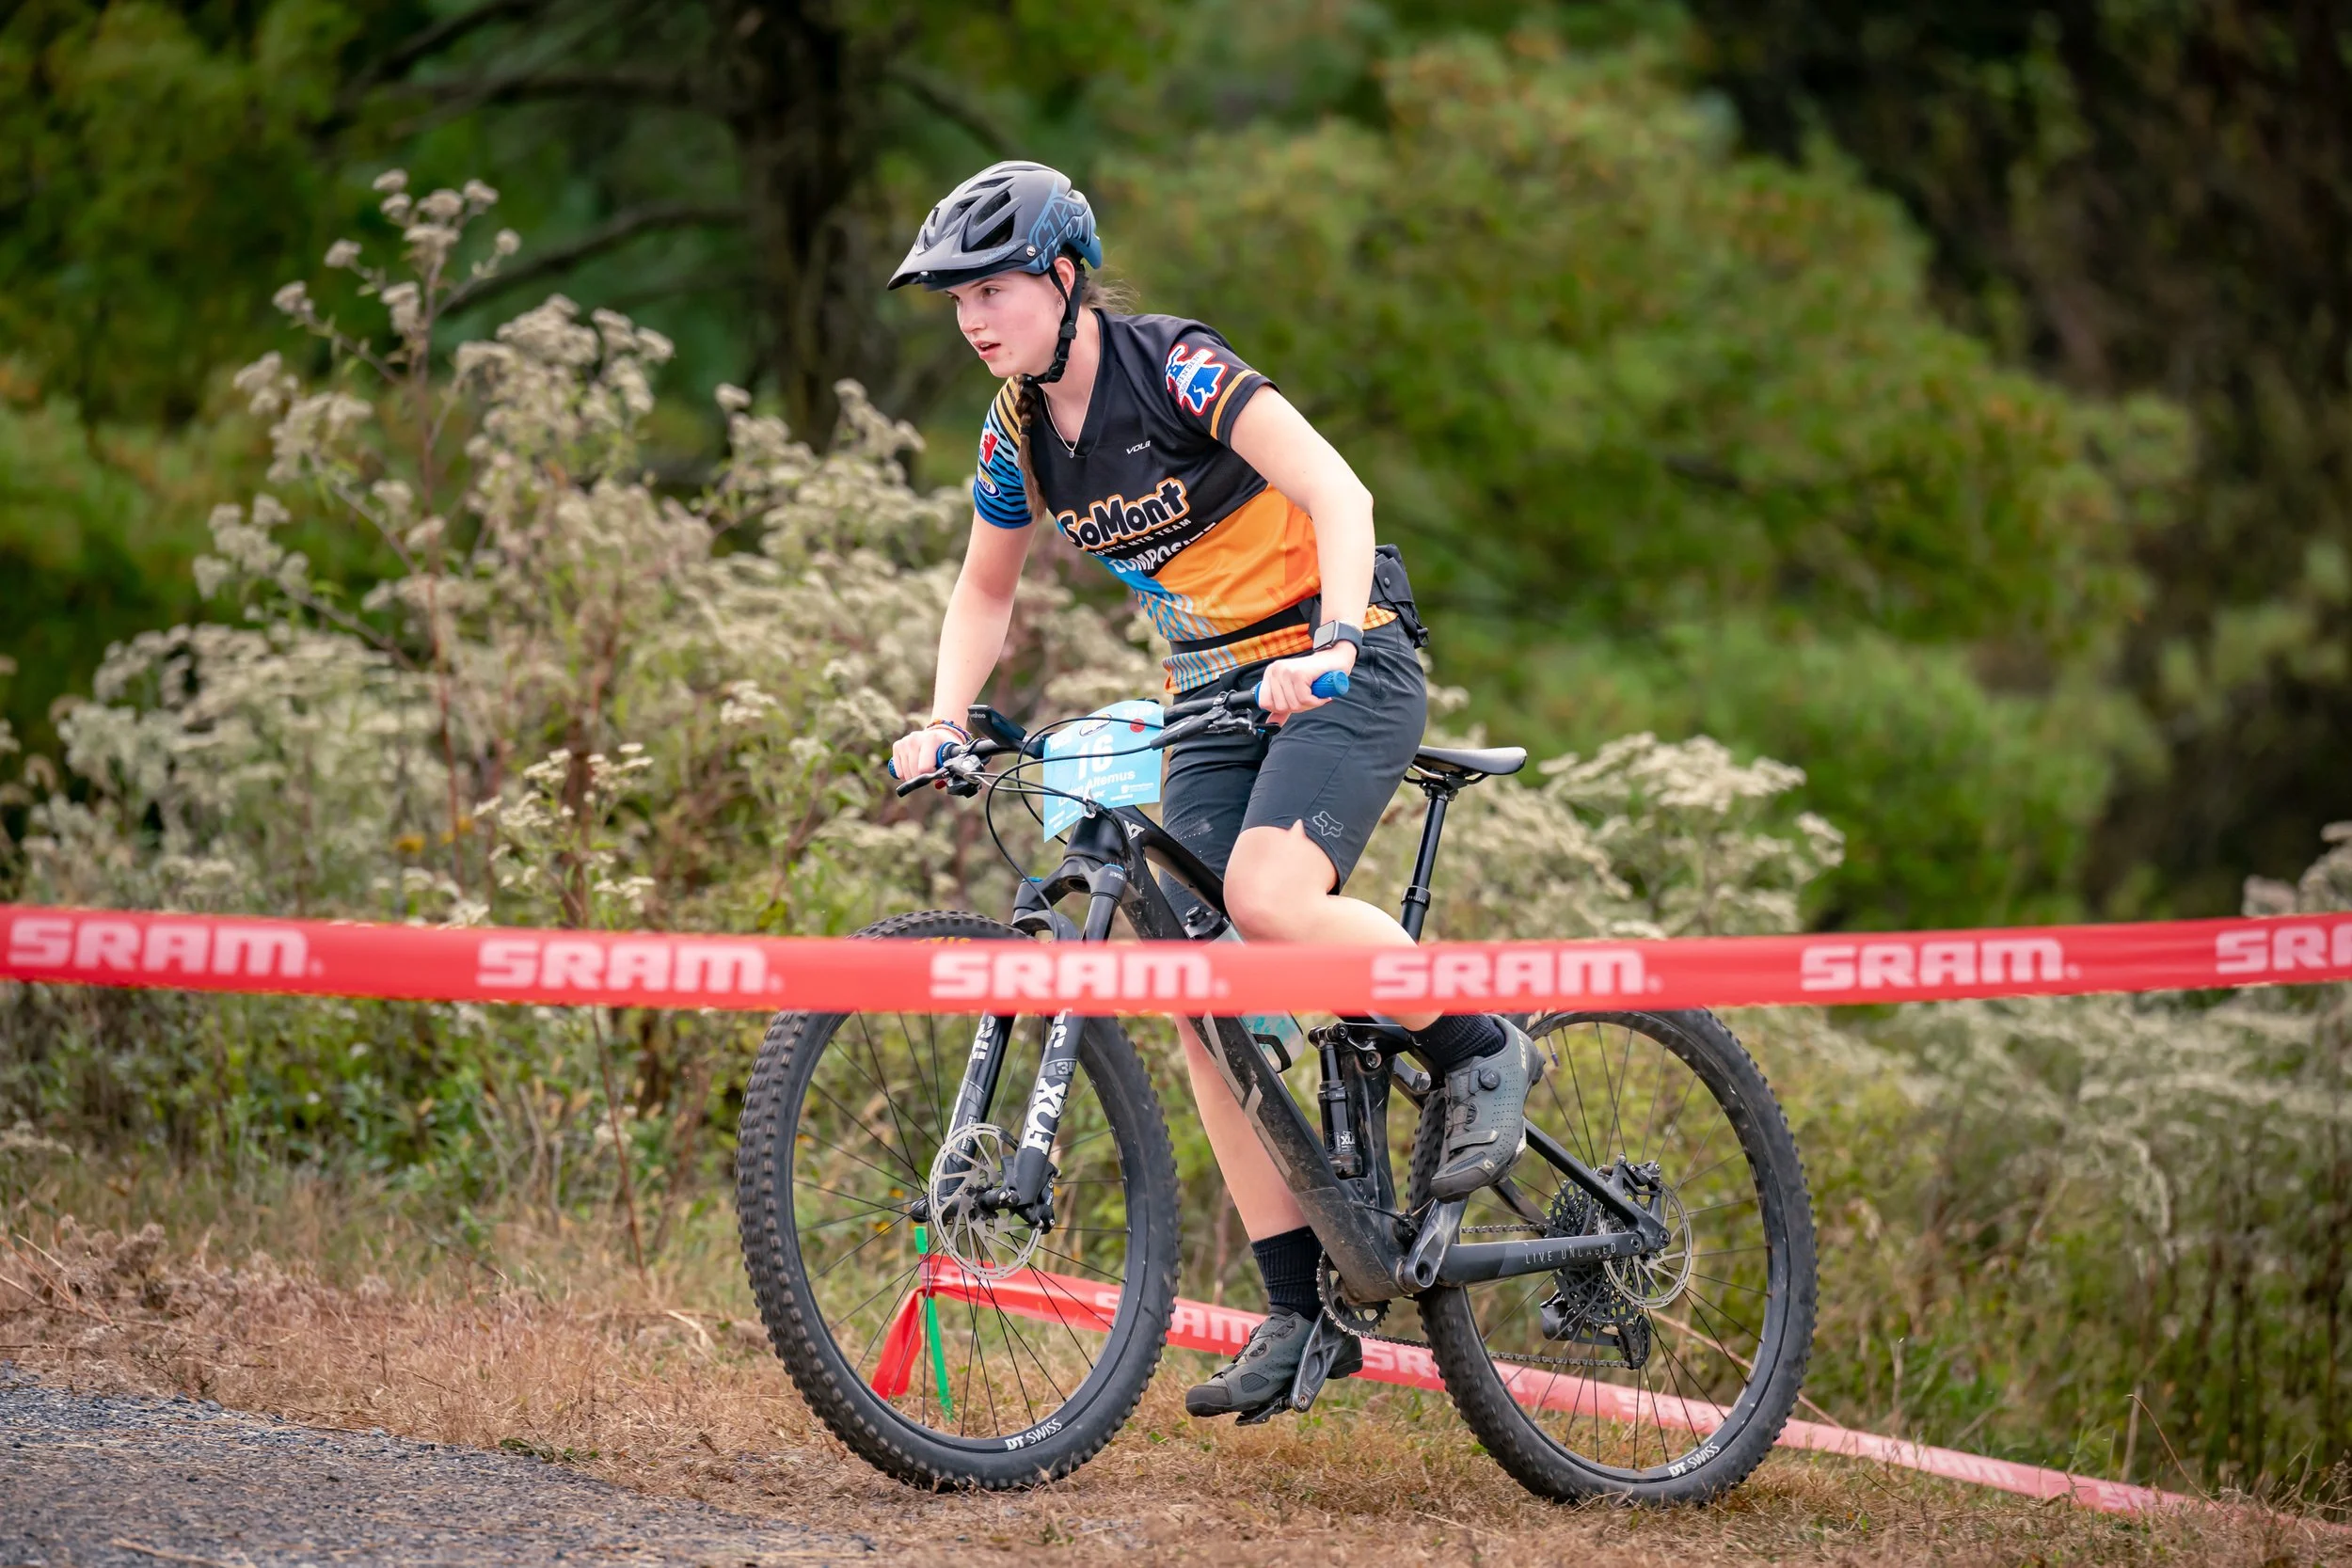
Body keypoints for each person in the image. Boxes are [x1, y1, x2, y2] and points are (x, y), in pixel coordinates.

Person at [886, 161, 1539, 1421]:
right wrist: (945, 721)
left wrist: (1334, 642)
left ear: (1063, 279)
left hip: (1344, 653)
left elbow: (1339, 492)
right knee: (1197, 983)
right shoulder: (1016, 433)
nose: (972, 318)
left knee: (1267, 898)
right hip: (1210, 689)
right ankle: (1299, 1309)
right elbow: (984, 588)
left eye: (993, 290)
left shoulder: (1176, 367)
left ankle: (1478, 1043)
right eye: (956, 299)